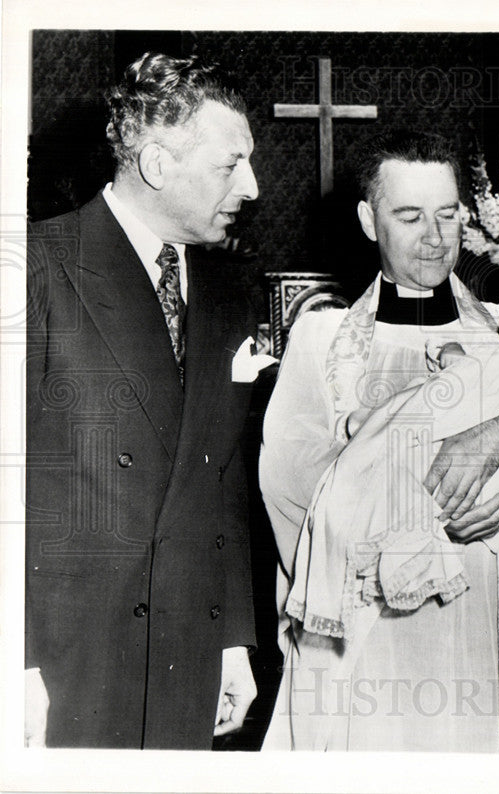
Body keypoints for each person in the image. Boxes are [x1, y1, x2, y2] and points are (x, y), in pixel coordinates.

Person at [259, 130, 499, 753]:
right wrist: (424, 519)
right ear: (367, 220)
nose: (435, 237)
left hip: (489, 612)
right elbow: (292, 484)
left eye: (448, 214)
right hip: (375, 626)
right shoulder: (325, 342)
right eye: (409, 216)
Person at [25, 52, 261, 749]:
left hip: (189, 650)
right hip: (64, 662)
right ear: (157, 164)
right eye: (230, 164)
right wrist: (16, 660)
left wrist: (234, 640)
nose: (252, 186)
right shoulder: (37, 267)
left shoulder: (226, 290)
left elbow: (222, 488)